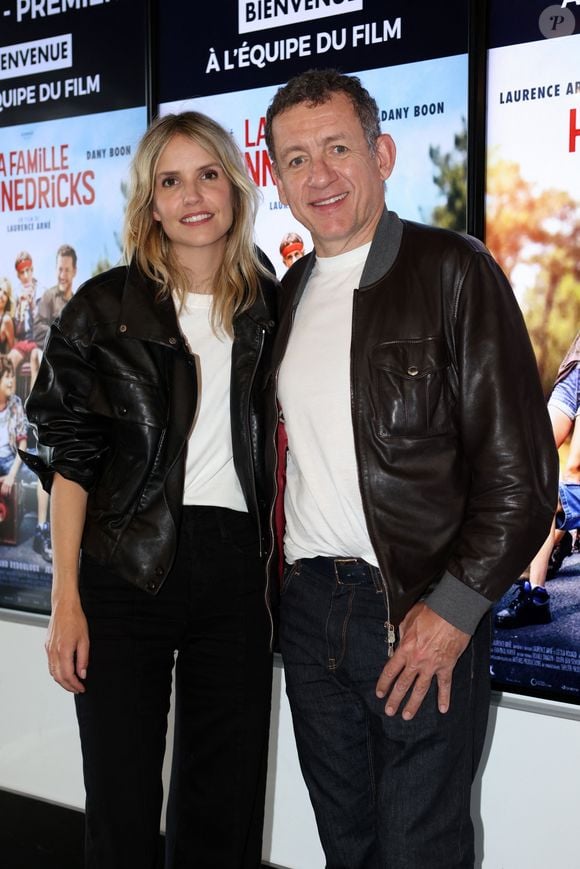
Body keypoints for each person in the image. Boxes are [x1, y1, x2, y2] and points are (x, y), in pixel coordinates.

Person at [262, 69, 557, 868]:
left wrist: (455, 610)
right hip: (311, 610)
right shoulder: (287, 296)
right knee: (348, 849)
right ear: (278, 181)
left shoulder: (453, 271)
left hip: (413, 612)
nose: (319, 175)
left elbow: (525, 477)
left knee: (420, 850)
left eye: (337, 148)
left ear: (382, 154)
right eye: (296, 159)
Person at [22, 111, 278, 869]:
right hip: (123, 565)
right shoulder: (101, 309)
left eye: (208, 175)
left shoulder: (269, 303)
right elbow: (72, 462)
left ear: (234, 187)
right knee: (122, 804)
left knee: (223, 809)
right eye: (171, 181)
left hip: (236, 571)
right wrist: (66, 599)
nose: (192, 196)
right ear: (150, 203)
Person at [496, 332, 580, 628]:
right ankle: (554, 540)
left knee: (570, 474)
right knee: (533, 460)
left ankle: (536, 591)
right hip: (575, 370)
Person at [0, 354, 51, 559]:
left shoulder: (16, 403)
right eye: (6, 376)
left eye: (12, 376)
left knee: (42, 470)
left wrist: (11, 475)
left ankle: (40, 532)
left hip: (13, 460)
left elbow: (22, 444)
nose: (11, 381)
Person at [33, 244, 78, 348]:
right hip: (50, 354)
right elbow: (38, 330)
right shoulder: (48, 296)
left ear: (74, 272)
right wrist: (62, 338)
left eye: (67, 270)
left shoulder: (78, 303)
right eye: (60, 269)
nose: (62, 275)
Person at [10, 251, 42, 388]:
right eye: (22, 273)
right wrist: (20, 311)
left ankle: (33, 401)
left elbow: (42, 326)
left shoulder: (42, 291)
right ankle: (11, 401)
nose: (26, 276)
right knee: (9, 361)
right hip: (24, 342)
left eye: (28, 270)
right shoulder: (17, 295)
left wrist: (32, 304)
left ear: (32, 270)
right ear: (18, 275)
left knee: (36, 358)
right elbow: (18, 333)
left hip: (38, 342)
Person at [0, 277, 15, 355]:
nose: (1, 295)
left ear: (7, 299)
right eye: (0, 289)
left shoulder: (6, 320)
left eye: (5, 293)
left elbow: (12, 351)